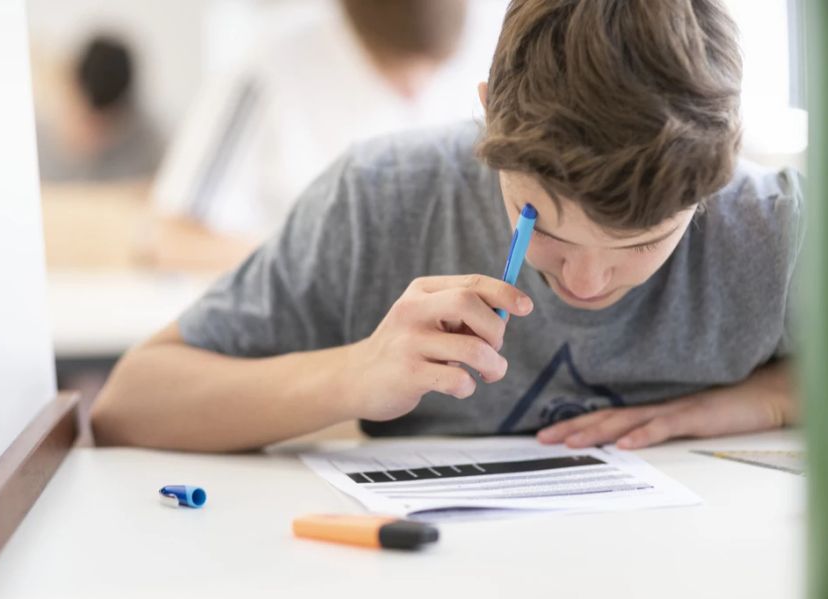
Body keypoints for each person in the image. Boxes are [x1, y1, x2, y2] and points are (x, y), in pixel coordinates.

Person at [92, 0, 803, 453]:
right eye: (540, 223)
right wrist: (352, 374)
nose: (586, 280)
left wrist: (771, 399)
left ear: (723, 162)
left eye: (644, 241)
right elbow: (132, 402)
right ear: (490, 113)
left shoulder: (776, 227)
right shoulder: (381, 196)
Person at [147, 0, 506, 269]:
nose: (416, 88)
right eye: (391, 65)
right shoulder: (267, 71)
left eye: (434, 69)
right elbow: (170, 239)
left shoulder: (474, 56)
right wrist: (321, 265)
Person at [35, 35, 162, 182]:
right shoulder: (34, 138)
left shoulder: (149, 144)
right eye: (85, 119)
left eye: (102, 126)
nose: (91, 134)